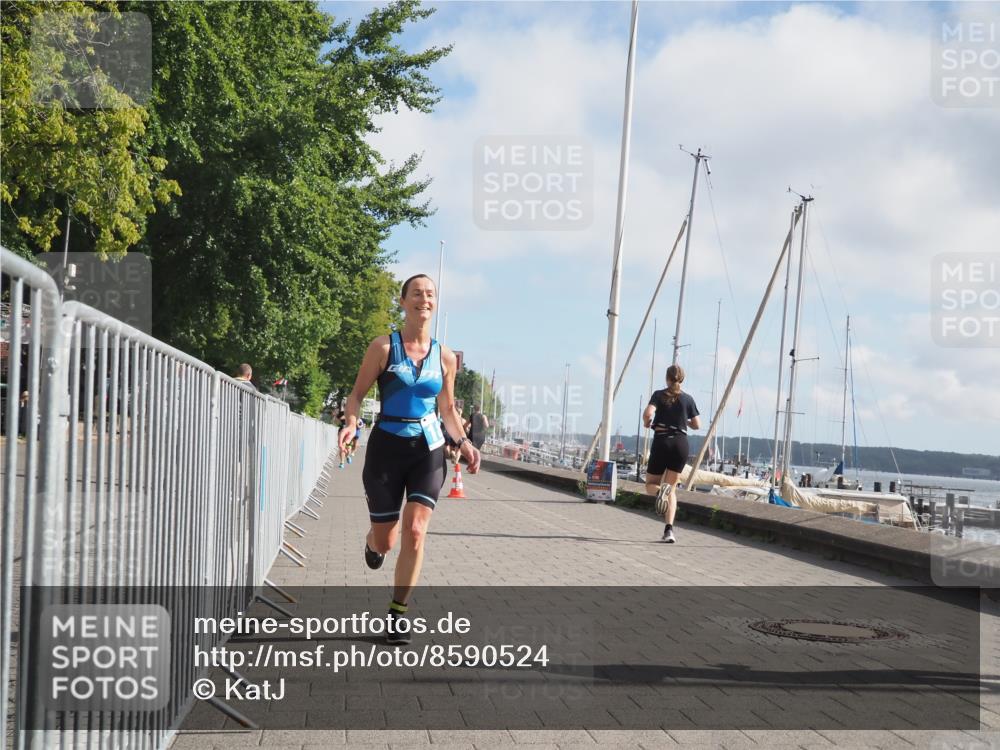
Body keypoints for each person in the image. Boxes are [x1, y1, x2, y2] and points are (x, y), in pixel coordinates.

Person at [339, 273, 481, 645]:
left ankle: (398, 614)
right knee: (387, 542)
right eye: (416, 293)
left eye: (430, 294)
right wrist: (352, 424)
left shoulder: (445, 356)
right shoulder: (383, 348)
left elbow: (447, 408)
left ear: (436, 303)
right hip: (387, 447)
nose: (424, 299)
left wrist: (464, 443)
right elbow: (355, 396)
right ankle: (373, 544)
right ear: (403, 302)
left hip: (428, 450)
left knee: (416, 530)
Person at [642, 365, 700, 543]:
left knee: (650, 484)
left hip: (662, 442)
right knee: (672, 490)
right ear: (681, 379)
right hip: (680, 445)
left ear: (667, 378)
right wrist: (684, 421)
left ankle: (660, 491)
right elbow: (697, 424)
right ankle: (669, 531)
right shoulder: (688, 399)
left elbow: (648, 413)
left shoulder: (659, 395)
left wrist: (647, 422)